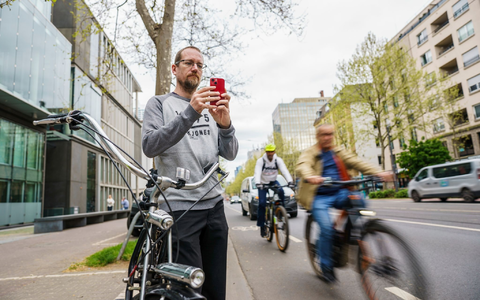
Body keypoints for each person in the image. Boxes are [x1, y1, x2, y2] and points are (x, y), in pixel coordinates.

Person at [141, 46, 238, 300]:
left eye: (200, 64)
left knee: (216, 287)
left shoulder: (209, 106)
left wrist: (226, 125)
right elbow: (150, 145)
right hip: (180, 209)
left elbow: (230, 154)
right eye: (188, 62)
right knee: (189, 290)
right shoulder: (159, 104)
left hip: (215, 207)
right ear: (175, 69)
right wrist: (190, 113)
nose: (195, 67)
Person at [295, 124, 391, 283]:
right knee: (326, 229)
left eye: (330, 134)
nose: (327, 137)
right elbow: (303, 165)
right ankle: (326, 266)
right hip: (319, 196)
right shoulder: (311, 153)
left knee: (359, 201)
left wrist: (378, 172)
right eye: (324, 134)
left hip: (340, 192)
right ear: (318, 136)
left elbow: (356, 162)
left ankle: (350, 237)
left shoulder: (338, 152)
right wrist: (311, 176)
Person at [254, 144, 294, 237]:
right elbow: (257, 172)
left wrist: (290, 181)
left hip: (273, 182)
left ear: (274, 151)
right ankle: (262, 226)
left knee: (281, 191)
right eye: (268, 152)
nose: (270, 153)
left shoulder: (278, 160)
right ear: (266, 152)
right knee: (262, 204)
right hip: (262, 183)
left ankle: (281, 212)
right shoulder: (261, 161)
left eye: (272, 151)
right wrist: (257, 183)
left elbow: (284, 170)